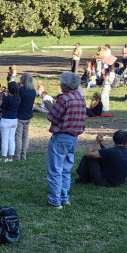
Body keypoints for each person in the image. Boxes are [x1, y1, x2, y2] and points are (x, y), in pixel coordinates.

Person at [44, 71, 87, 209]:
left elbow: (52, 118)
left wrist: (50, 108)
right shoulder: (81, 98)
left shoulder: (64, 99)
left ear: (66, 85)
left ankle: (55, 201)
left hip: (61, 137)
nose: (60, 86)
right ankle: (64, 197)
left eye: (61, 84)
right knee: (66, 169)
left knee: (55, 170)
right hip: (73, 138)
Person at [0, 82, 20, 162]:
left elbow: (1, 107)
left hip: (6, 120)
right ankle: (10, 157)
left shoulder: (8, 98)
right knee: (11, 139)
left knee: (4, 139)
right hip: (14, 119)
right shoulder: (18, 98)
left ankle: (3, 157)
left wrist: (1, 98)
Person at [15, 73, 35, 161]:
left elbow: (17, 101)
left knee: (18, 136)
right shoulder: (33, 91)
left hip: (20, 115)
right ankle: (24, 154)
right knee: (25, 136)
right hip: (28, 115)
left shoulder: (21, 90)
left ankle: (17, 155)